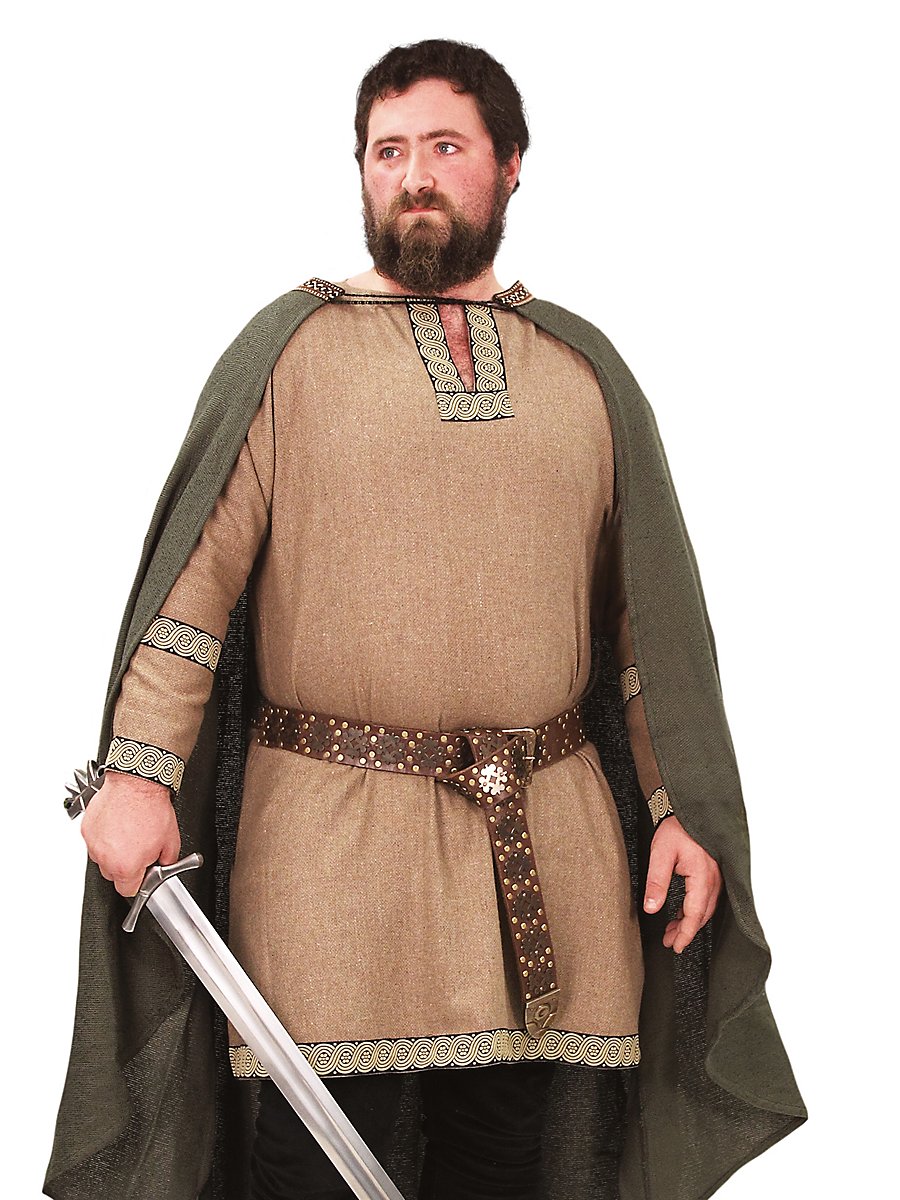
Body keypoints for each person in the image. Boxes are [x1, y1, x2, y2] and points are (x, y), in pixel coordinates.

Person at [46, 38, 806, 1200]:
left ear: (510, 163)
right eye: (387, 151)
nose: (413, 176)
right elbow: (191, 592)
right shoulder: (288, 356)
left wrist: (674, 808)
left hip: (543, 846)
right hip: (328, 848)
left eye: (445, 147)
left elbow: (644, 633)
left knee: (510, 1163)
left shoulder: (583, 373)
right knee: (304, 1168)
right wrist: (142, 770)